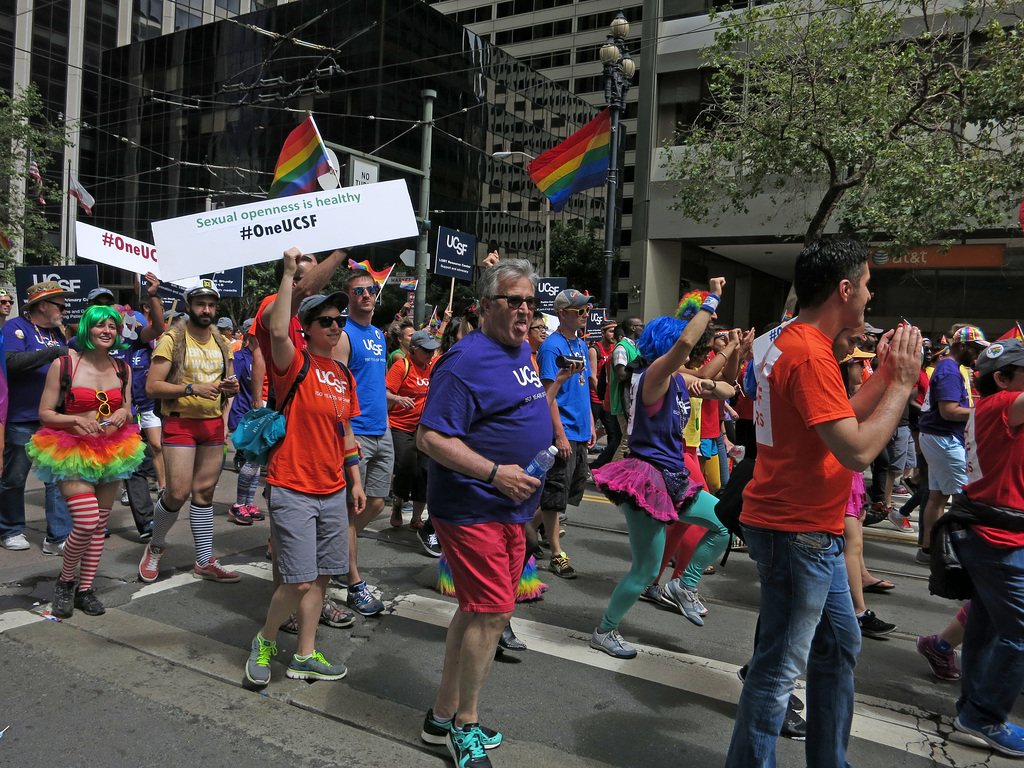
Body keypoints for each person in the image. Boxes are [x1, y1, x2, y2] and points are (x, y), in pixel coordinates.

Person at [725, 238, 922, 768]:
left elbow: (835, 422)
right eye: (865, 286)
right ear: (843, 288)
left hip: (808, 527)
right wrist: (901, 385)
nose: (869, 296)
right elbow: (857, 449)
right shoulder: (810, 353)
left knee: (838, 646)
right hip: (798, 531)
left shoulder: (790, 340)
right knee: (777, 669)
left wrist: (883, 374)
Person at [416, 259, 549, 768]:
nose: (523, 310)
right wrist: (495, 473)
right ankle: (464, 727)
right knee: (493, 612)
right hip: (474, 506)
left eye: (530, 302)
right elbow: (430, 437)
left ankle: (441, 717)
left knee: (476, 610)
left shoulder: (521, 351)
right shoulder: (463, 359)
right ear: (486, 306)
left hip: (511, 508)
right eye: (513, 300)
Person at [588, 278, 731, 658]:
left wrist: (733, 351)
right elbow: (687, 345)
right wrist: (711, 299)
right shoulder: (652, 377)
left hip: (674, 478)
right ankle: (605, 630)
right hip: (647, 478)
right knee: (646, 570)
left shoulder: (678, 379)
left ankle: (684, 584)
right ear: (668, 346)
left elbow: (715, 379)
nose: (694, 348)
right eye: (685, 343)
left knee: (725, 523)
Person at [244, 254, 364, 687]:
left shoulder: (343, 375)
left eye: (339, 320)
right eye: (326, 320)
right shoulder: (293, 364)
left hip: (332, 489)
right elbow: (277, 328)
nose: (335, 326)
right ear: (308, 328)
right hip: (292, 485)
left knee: (320, 578)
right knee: (295, 581)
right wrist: (290, 273)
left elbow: (345, 430)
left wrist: (354, 479)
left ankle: (306, 654)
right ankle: (264, 641)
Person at [28, 305, 145, 618]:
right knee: (86, 520)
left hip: (114, 449)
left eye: (112, 326)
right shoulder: (64, 364)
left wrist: (123, 413)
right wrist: (73, 421)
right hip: (72, 449)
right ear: (86, 330)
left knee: (100, 524)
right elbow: (45, 414)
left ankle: (85, 589)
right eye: (99, 326)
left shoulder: (123, 368)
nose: (106, 331)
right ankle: (66, 581)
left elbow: (129, 409)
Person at [941, 338, 1024, 756]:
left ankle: (973, 708)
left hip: (993, 534)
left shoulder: (998, 408)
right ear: (1003, 379)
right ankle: (984, 715)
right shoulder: (1003, 405)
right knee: (1019, 633)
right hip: (998, 539)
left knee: (986, 627)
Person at [139, 280, 240, 583]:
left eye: (211, 305)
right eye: (200, 304)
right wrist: (191, 388)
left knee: (205, 493)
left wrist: (230, 390)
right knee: (177, 492)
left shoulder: (222, 342)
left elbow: (231, 383)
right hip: (180, 422)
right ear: (189, 306)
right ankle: (155, 546)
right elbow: (152, 386)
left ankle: (204, 560)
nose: (206, 310)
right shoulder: (173, 338)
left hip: (211, 425)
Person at [335, 268, 395, 616]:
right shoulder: (344, 336)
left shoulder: (378, 334)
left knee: (376, 504)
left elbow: (374, 384)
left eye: (370, 289)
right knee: (353, 508)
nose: (366, 295)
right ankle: (353, 579)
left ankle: (334, 543)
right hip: (355, 431)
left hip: (381, 429)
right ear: (349, 299)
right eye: (358, 291)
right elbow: (339, 388)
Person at [1, 281, 74, 553]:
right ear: (42, 305)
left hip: (53, 418)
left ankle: (57, 538)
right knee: (14, 478)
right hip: (22, 417)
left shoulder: (58, 333)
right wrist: (54, 353)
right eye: (60, 305)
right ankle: (10, 530)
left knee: (57, 477)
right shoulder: (15, 328)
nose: (65, 310)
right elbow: (10, 361)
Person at [536, 288, 596, 578]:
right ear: (562, 313)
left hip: (580, 430)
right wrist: (559, 434)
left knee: (566, 493)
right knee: (555, 493)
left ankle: (525, 529)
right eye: (580, 311)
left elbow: (582, 389)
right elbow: (550, 394)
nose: (585, 315)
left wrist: (592, 425)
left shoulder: (581, 345)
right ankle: (556, 553)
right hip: (564, 430)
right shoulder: (552, 347)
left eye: (586, 310)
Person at [916, 324, 988, 562]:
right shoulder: (950, 370)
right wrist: (983, 411)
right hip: (944, 439)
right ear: (963, 346)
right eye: (976, 349)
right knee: (964, 500)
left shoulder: (950, 366)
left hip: (938, 438)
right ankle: (960, 553)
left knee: (937, 497)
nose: (977, 355)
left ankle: (929, 549)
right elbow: (949, 411)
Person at [386, 329, 437, 531]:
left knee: (425, 471)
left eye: (432, 350)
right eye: (426, 351)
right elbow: (385, 392)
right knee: (407, 466)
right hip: (400, 426)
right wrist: (398, 398)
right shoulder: (402, 366)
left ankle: (416, 518)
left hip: (423, 428)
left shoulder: (433, 366)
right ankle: (397, 504)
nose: (430, 355)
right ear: (414, 349)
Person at [228, 318, 265, 525]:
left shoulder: (267, 356)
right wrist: (227, 420)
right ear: (249, 337)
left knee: (256, 462)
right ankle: (239, 505)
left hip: (262, 417)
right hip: (243, 416)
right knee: (250, 461)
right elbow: (233, 389)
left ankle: (249, 503)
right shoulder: (240, 358)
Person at [609, 316, 643, 462]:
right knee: (627, 441)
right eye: (641, 325)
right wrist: (642, 370)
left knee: (632, 441)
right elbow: (621, 374)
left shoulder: (635, 347)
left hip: (632, 400)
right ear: (632, 328)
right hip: (623, 401)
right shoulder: (622, 348)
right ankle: (607, 477)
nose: (644, 328)